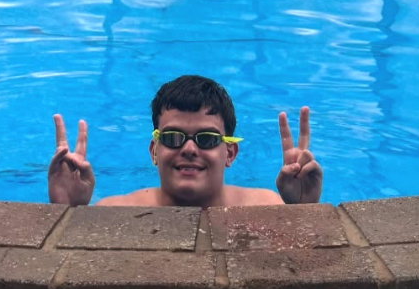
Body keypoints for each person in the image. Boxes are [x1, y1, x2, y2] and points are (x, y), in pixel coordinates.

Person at [48, 74, 323, 207]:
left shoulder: (264, 207)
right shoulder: (114, 211)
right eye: (172, 137)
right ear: (154, 151)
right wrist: (66, 212)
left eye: (207, 139)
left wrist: (304, 211)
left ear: (229, 153)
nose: (189, 149)